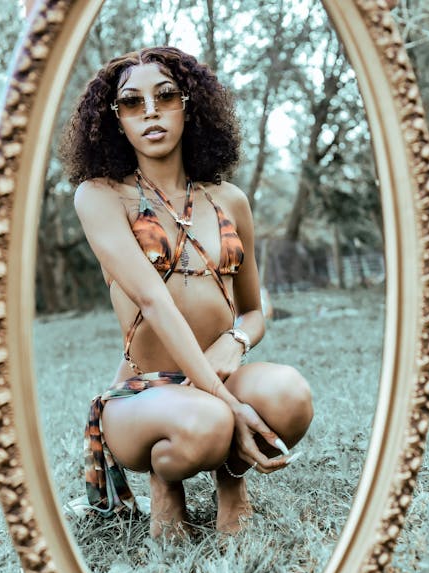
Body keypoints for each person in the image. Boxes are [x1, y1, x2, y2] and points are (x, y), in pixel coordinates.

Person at [60, 46, 313, 538]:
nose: (150, 111)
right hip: (141, 394)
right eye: (132, 103)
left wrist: (235, 342)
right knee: (210, 423)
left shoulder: (229, 199)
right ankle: (164, 481)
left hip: (215, 378)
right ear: (115, 120)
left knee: (290, 395)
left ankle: (232, 481)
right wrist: (228, 402)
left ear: (189, 105)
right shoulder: (101, 196)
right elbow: (154, 302)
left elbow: (256, 311)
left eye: (165, 96)